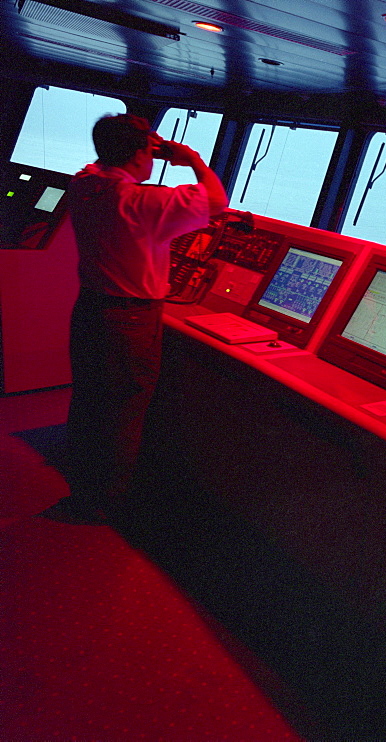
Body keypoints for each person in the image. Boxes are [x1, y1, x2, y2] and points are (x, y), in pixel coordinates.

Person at [41, 114, 228, 523]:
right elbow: (215, 202)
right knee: (123, 408)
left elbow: (102, 168)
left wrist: (138, 144)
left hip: (89, 310)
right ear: (142, 153)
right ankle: (108, 502)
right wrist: (192, 159)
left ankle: (84, 489)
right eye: (149, 148)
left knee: (90, 401)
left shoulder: (84, 184)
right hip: (130, 320)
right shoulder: (142, 203)